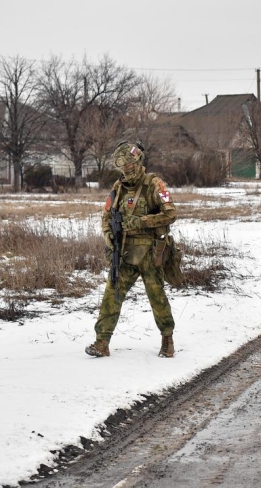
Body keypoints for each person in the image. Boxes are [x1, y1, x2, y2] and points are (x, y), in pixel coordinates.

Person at [85, 140, 178, 358]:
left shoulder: (154, 184)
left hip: (150, 252)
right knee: (112, 294)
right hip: (124, 251)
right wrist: (108, 236)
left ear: (139, 162)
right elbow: (106, 216)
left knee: (157, 296)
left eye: (131, 167)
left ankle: (167, 339)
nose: (127, 172)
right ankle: (102, 342)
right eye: (123, 169)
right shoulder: (117, 189)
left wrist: (141, 221)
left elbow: (170, 213)